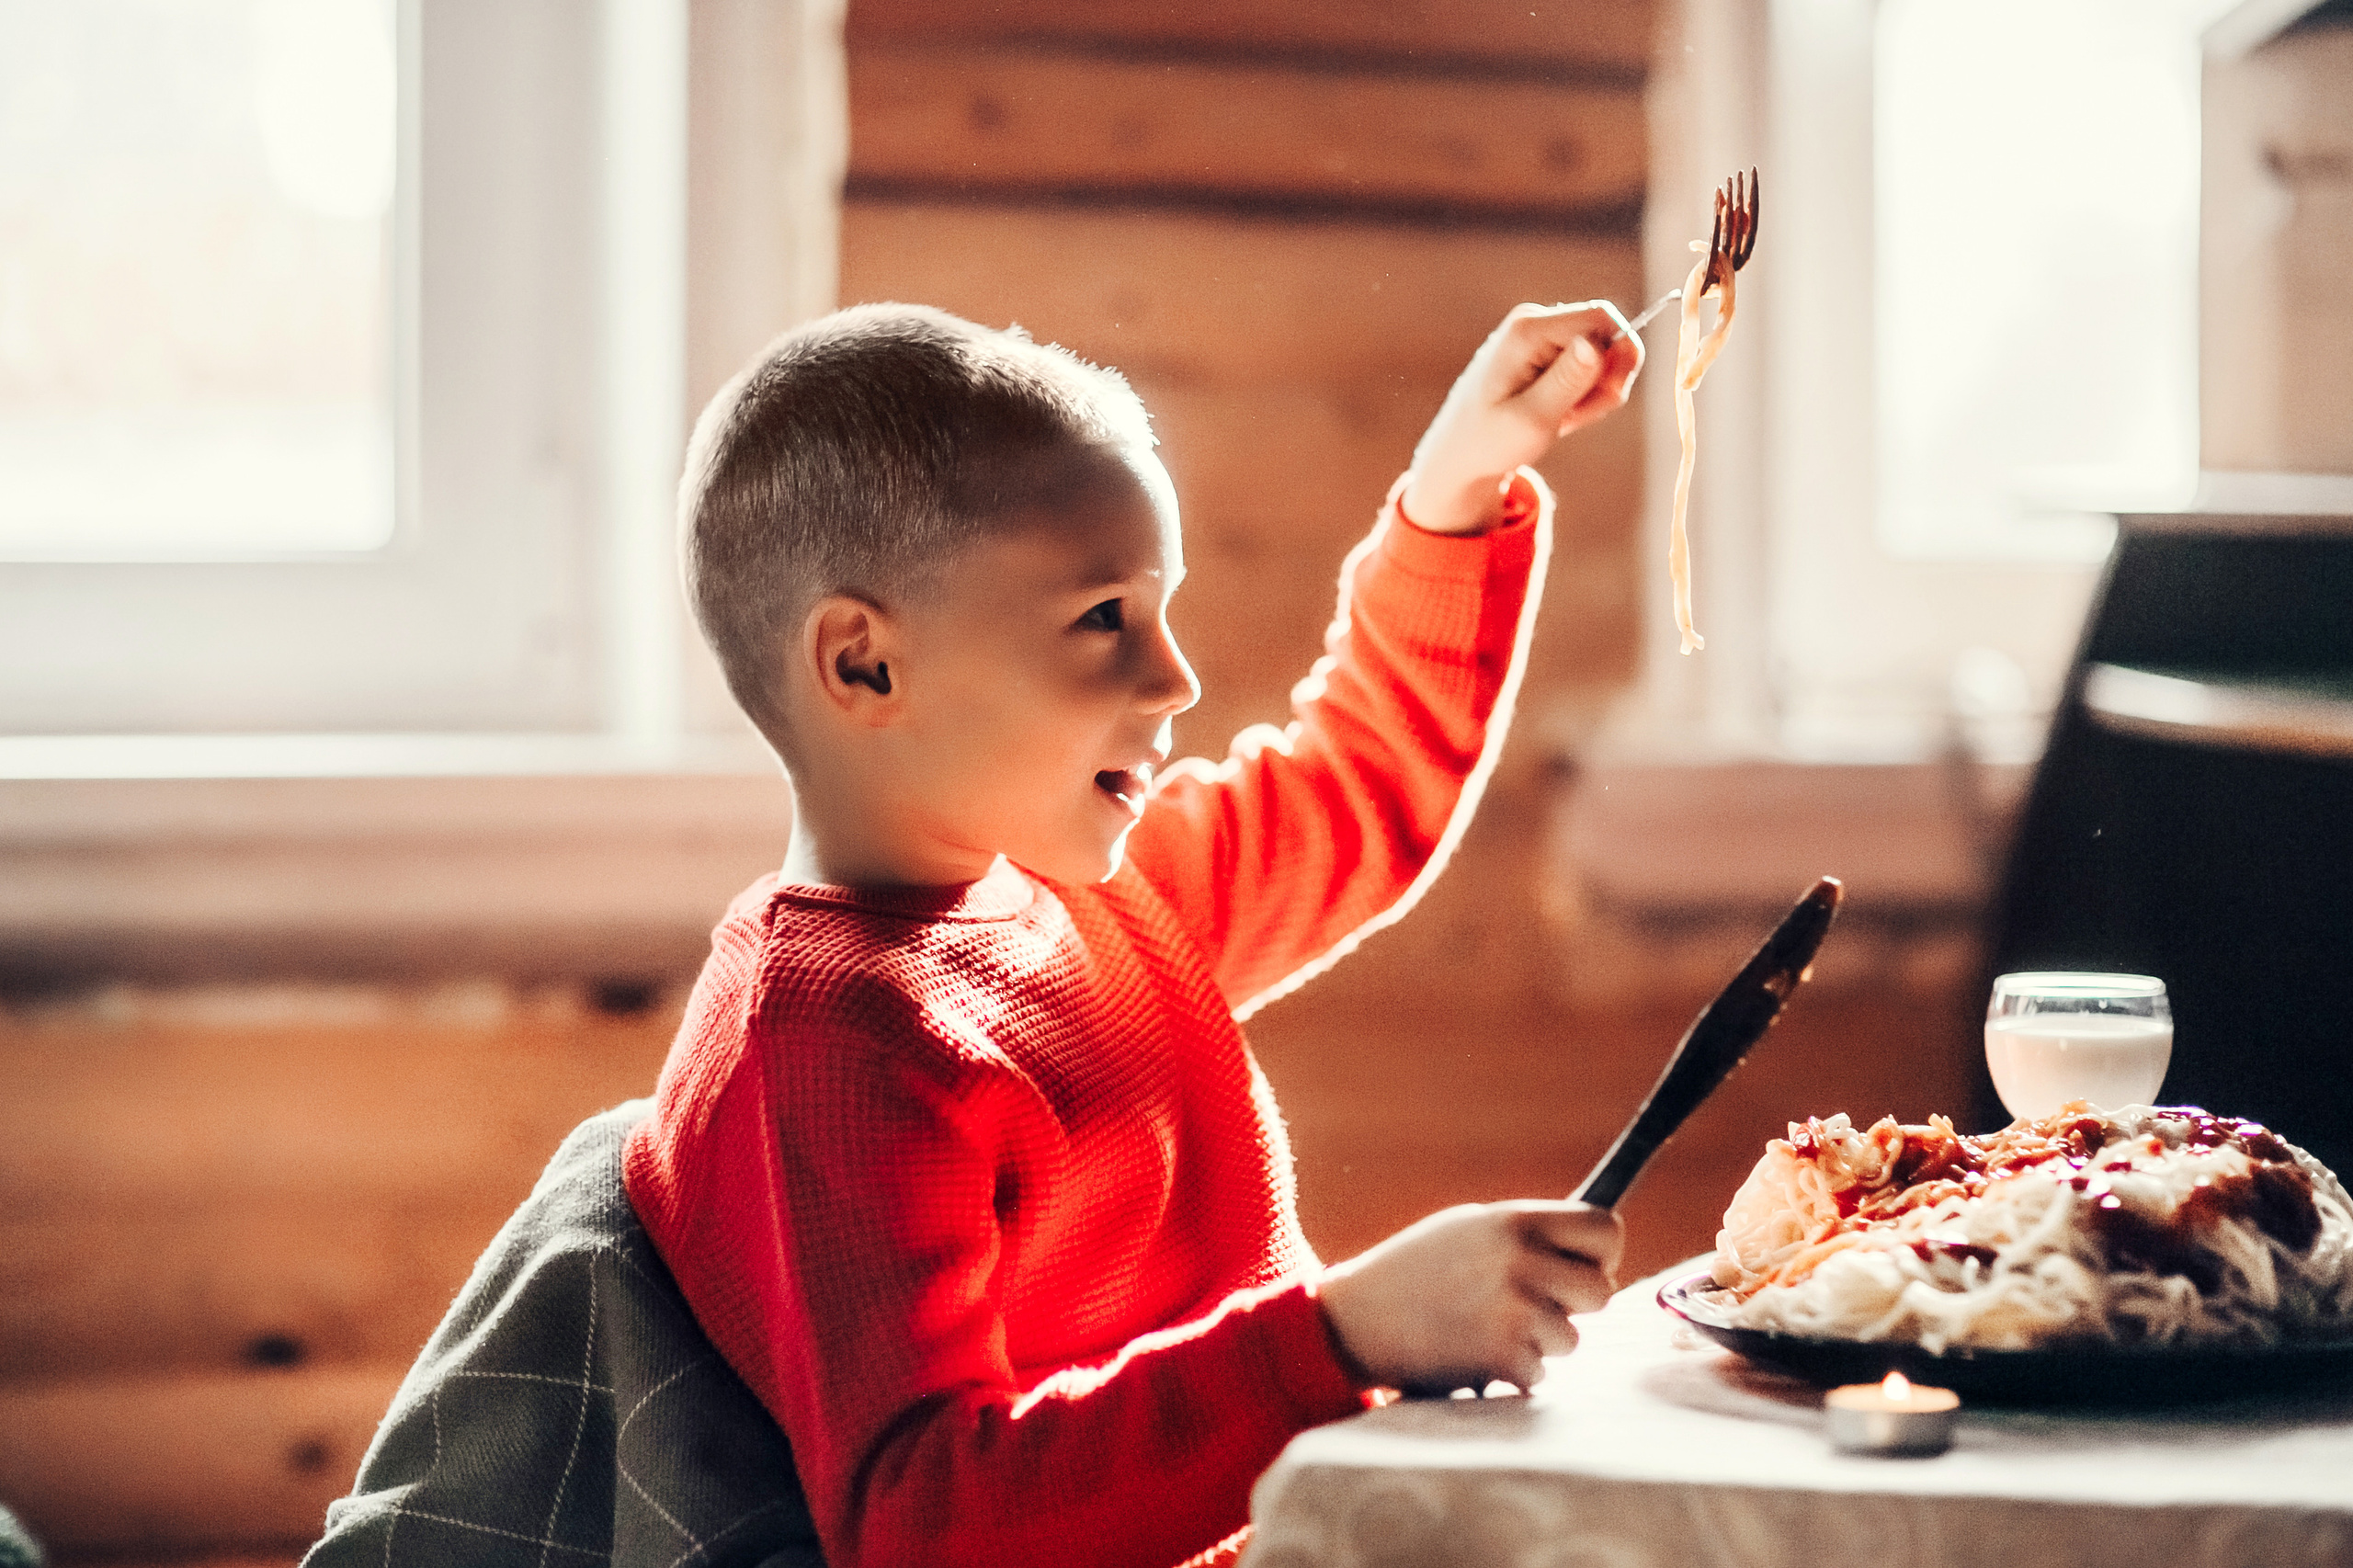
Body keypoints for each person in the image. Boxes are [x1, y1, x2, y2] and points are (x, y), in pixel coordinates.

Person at [624, 298, 1644, 1568]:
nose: (1176, 679)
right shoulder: (833, 1043)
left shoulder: (1099, 886)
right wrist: (1339, 1337)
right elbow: (929, 1520)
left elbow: (1359, 789)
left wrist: (1457, 486)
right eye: (1105, 618)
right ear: (864, 666)